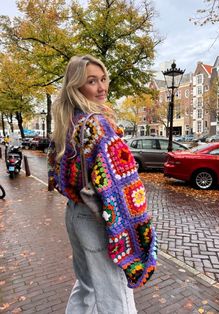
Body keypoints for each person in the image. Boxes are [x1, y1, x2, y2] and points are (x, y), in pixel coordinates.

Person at [47, 55, 157, 314]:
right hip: (99, 219)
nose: (102, 87)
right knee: (116, 295)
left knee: (86, 286)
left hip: (74, 214)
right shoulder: (98, 125)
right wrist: (136, 225)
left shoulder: (66, 124)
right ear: (76, 87)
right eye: (92, 81)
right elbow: (121, 186)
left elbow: (57, 176)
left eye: (103, 79)